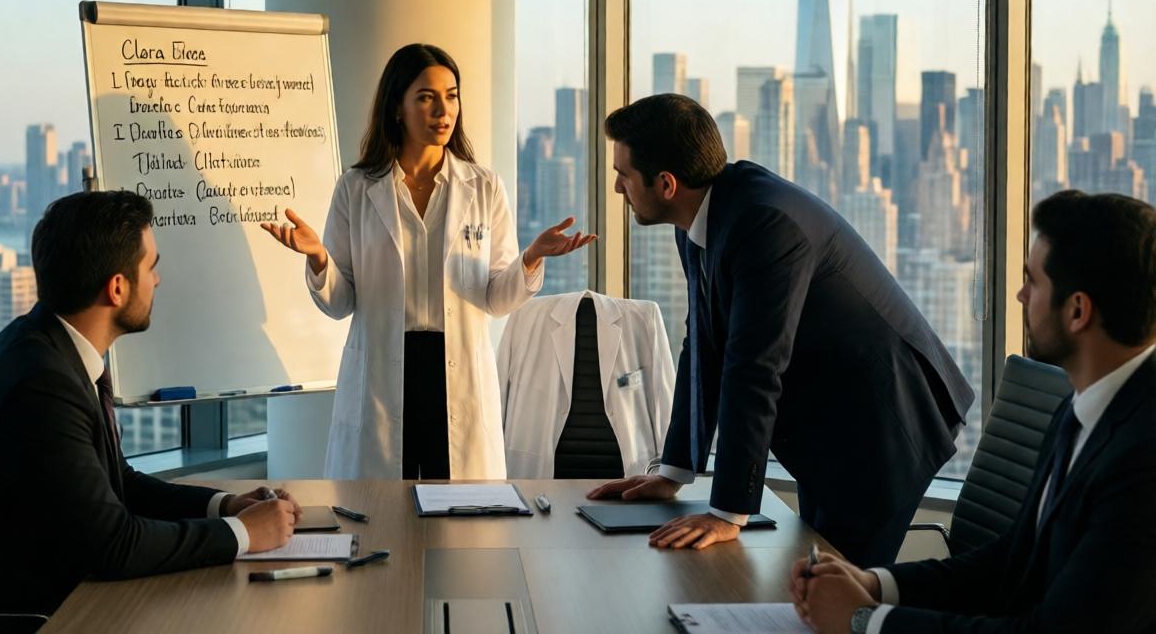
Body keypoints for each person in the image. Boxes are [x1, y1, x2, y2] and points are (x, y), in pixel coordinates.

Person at [587, 94, 973, 567]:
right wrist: (673, 472)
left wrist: (728, 512)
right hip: (829, 429)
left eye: (623, 175)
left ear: (666, 184)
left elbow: (752, 367)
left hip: (883, 427)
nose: (617, 188)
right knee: (810, 582)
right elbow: (704, 346)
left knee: (838, 591)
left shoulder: (763, 221)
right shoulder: (700, 219)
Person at [0, 191, 300, 617]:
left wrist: (225, 507)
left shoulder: (47, 347)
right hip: (9, 617)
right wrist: (242, 534)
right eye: (151, 267)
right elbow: (112, 547)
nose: (157, 280)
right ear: (117, 288)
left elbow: (118, 482)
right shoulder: (42, 386)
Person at [791, 190, 1156, 634]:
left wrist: (864, 620)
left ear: (1077, 311)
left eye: (1033, 282)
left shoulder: (1142, 460)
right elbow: (1011, 561)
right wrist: (874, 584)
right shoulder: (1082, 407)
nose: (1020, 295)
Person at [263, 43, 594, 480]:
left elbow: (496, 300)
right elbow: (340, 303)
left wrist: (531, 258)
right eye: (426, 97)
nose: (443, 110)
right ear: (397, 107)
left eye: (451, 96)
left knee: (459, 512)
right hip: (384, 374)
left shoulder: (484, 187)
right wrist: (319, 259)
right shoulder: (356, 188)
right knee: (380, 510)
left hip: (455, 372)